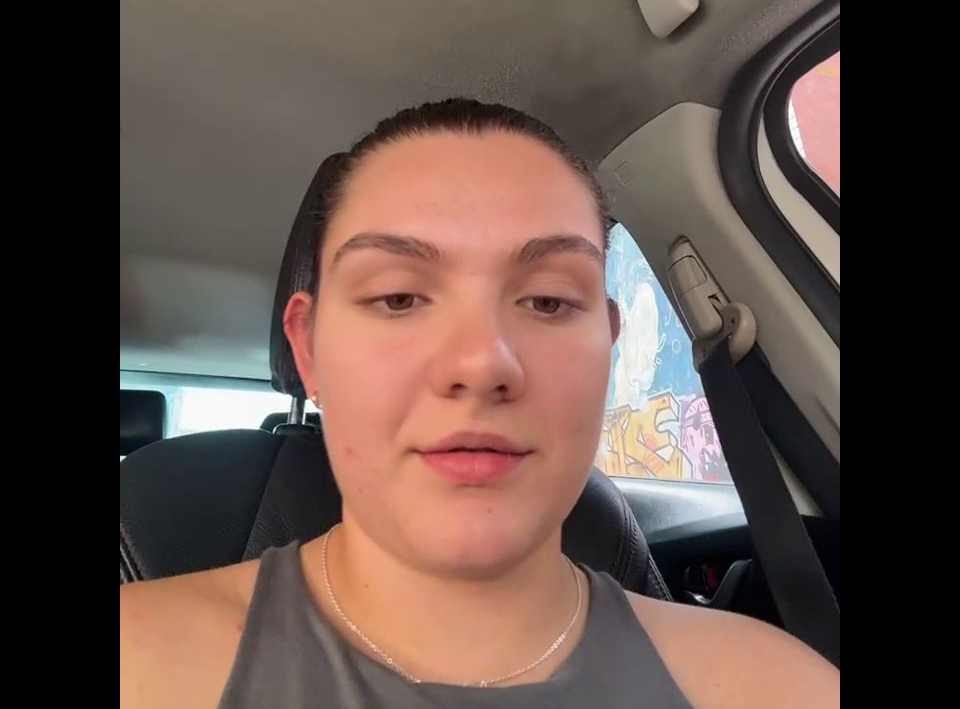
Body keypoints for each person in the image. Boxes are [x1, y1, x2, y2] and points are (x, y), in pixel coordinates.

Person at [120, 99, 839, 708]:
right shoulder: (140, 661)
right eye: (398, 298)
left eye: (549, 300)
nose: (482, 362)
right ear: (309, 351)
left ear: (610, 346)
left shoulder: (774, 686)